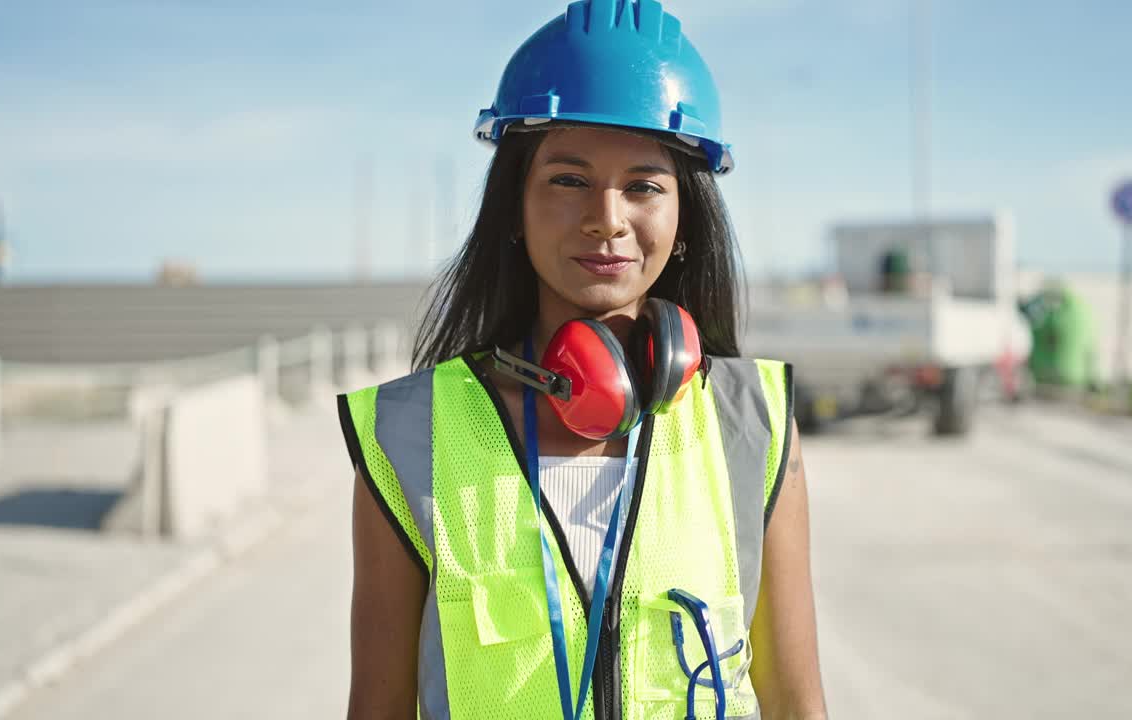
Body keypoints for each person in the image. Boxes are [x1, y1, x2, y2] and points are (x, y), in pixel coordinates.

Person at [338, 1, 827, 717]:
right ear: (513, 207)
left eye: (644, 185)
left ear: (684, 215)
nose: (608, 217)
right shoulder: (411, 438)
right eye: (568, 180)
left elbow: (795, 701)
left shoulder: (754, 423)